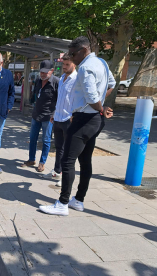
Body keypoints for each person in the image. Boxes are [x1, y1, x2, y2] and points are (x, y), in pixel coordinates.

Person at [39, 36, 116, 216]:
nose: (71, 58)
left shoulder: (85, 68)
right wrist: (101, 106)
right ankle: (78, 200)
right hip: (94, 120)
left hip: (84, 119)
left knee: (67, 161)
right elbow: (111, 84)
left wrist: (100, 108)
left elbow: (90, 96)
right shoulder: (102, 63)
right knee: (85, 160)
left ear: (83, 50)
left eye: (73, 54)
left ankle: (62, 203)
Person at [42, 53, 77, 186]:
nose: (64, 67)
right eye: (63, 64)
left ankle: (65, 177)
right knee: (59, 147)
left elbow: (78, 99)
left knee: (68, 149)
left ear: (74, 64)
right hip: (58, 117)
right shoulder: (62, 78)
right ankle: (57, 171)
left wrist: (75, 114)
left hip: (69, 118)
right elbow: (60, 99)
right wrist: (54, 113)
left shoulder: (77, 79)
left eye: (67, 64)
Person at [21, 60, 59, 172]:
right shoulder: (38, 80)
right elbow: (35, 95)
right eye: (41, 72)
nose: (42, 74)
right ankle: (31, 159)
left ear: (52, 71)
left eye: (45, 72)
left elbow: (60, 100)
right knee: (32, 139)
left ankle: (42, 162)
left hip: (48, 116)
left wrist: (54, 114)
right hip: (36, 115)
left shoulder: (57, 82)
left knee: (46, 140)